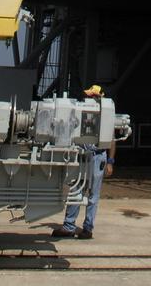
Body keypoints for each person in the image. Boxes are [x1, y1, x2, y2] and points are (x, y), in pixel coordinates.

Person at [51, 85, 115, 241]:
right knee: (76, 190)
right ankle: (69, 226)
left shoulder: (105, 116)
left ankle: (88, 228)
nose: (88, 98)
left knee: (93, 194)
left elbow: (112, 140)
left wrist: (110, 162)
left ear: (98, 98)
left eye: (91, 96)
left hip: (97, 156)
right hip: (81, 156)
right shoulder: (81, 113)